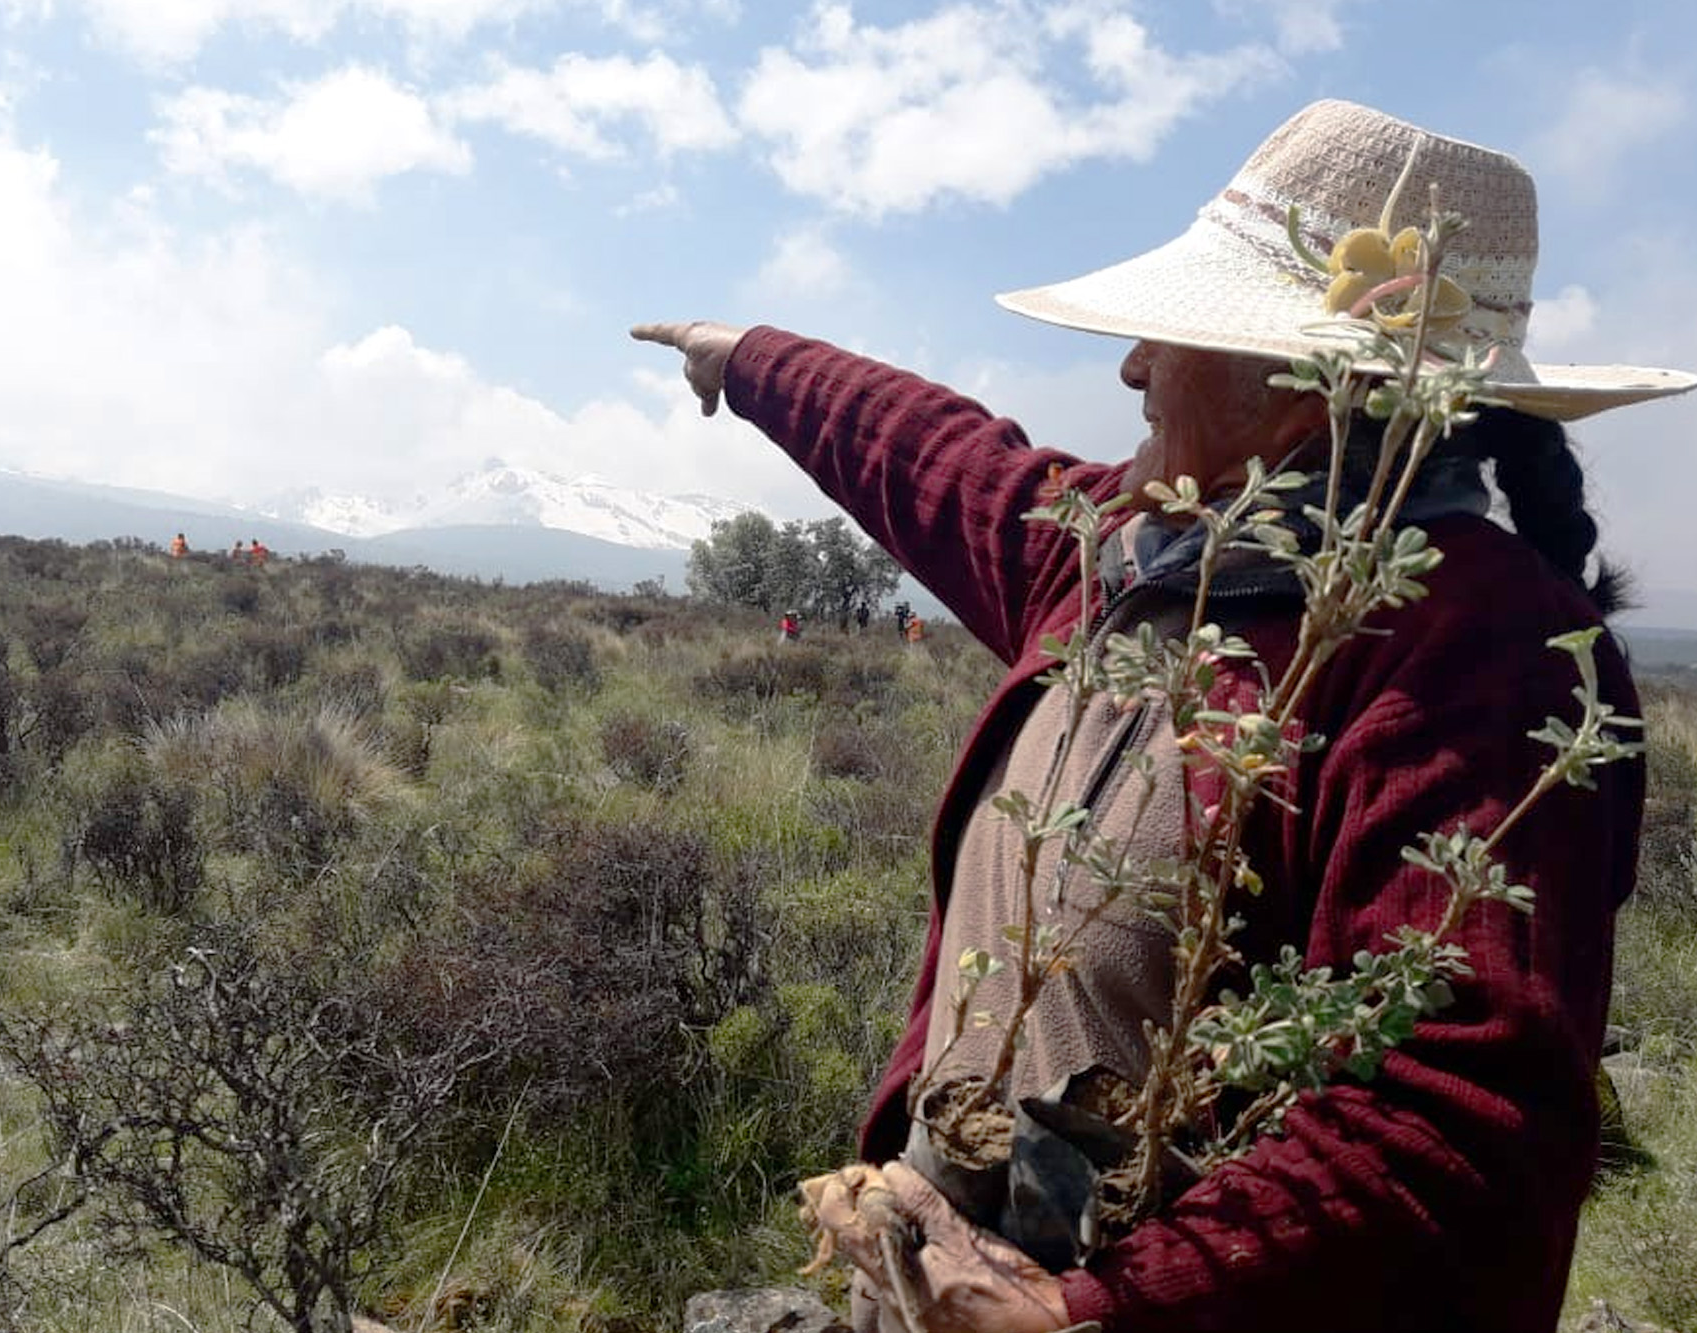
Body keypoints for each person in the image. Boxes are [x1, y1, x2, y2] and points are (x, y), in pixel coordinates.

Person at [634, 99, 1693, 1333]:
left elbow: (1454, 1119)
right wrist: (748, 357)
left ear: (1305, 389)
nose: (1132, 367)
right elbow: (942, 459)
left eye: (1180, 336)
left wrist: (1087, 1306)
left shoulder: (1480, 648)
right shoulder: (1124, 550)